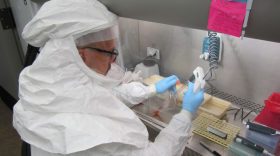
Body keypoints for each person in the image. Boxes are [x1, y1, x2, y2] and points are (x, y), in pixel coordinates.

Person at [13, 0, 204, 156]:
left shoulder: (47, 85)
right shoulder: (89, 133)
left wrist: (150, 90)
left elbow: (97, 98)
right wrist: (186, 115)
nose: (113, 62)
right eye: (109, 53)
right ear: (82, 56)